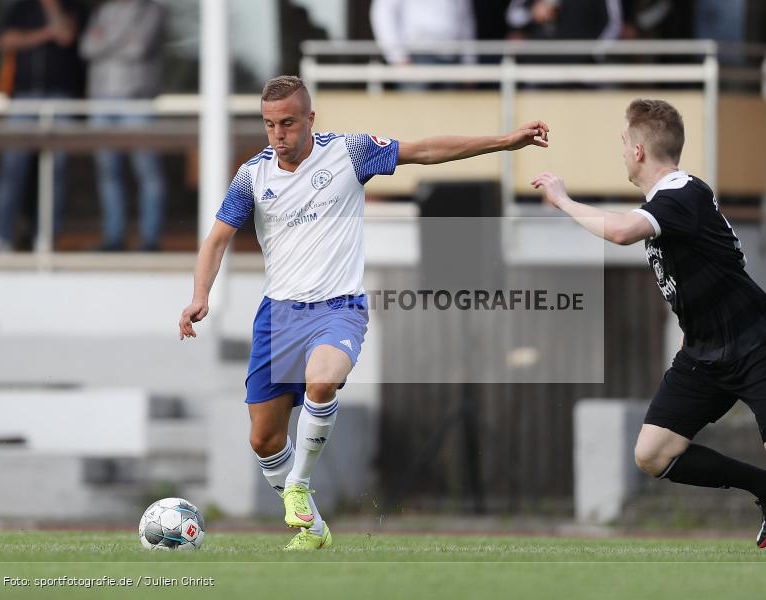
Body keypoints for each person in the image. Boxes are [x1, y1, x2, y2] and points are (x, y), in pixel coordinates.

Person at [178, 75, 548, 550]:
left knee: (322, 380)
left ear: (311, 119)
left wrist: (504, 141)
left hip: (338, 307)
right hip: (278, 317)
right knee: (263, 441)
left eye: (288, 123)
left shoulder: (349, 152)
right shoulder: (253, 175)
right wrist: (200, 294)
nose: (278, 135)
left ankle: (297, 485)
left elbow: (424, 150)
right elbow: (215, 240)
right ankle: (312, 527)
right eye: (269, 125)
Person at [531, 98, 766, 553]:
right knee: (652, 454)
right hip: (705, 349)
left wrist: (562, 198)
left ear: (639, 150)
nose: (621, 151)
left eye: (624, 142)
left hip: (755, 344)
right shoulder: (671, 200)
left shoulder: (681, 193)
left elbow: (621, 233)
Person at [0, 0, 83, 253]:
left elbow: (66, 36)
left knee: (57, 171)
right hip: (23, 97)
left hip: (60, 98)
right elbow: (7, 40)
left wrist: (52, 10)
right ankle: (1, 235)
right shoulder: (21, 7)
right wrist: (46, 33)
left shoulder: (72, 6)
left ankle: (46, 237)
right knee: (12, 169)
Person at [79, 0, 167, 251]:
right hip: (101, 100)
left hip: (136, 100)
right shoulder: (104, 10)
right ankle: (113, 237)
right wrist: (120, 39)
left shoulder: (153, 10)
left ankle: (150, 239)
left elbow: (137, 48)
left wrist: (104, 41)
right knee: (108, 172)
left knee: (147, 170)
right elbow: (86, 47)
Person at [370, 0, 475, 67]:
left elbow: (465, 20)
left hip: (452, 56)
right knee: (414, 102)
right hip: (417, 57)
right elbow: (383, 14)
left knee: (453, 102)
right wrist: (397, 57)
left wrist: (468, 62)